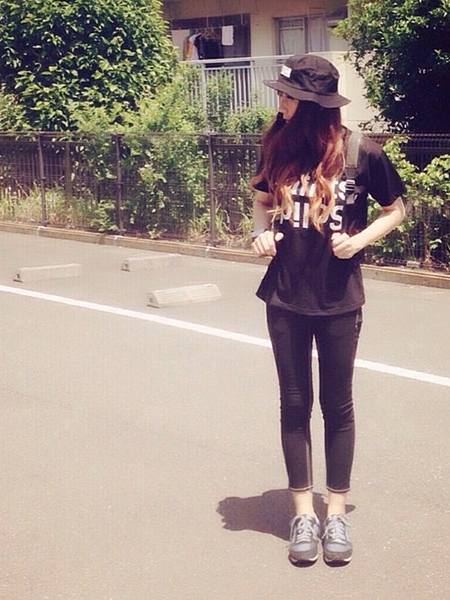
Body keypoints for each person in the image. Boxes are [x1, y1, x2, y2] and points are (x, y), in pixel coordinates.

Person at [250, 54, 405, 566]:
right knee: (294, 404)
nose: (280, 102)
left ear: (313, 105)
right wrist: (259, 233)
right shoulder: (276, 144)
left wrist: (358, 241)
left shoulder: (361, 152)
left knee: (337, 406)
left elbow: (396, 210)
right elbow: (261, 203)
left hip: (339, 299)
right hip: (285, 296)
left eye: (288, 95)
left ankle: (335, 511)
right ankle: (303, 514)